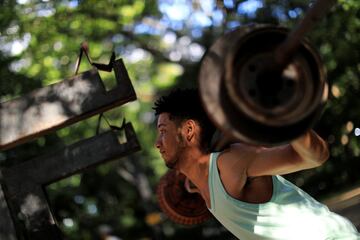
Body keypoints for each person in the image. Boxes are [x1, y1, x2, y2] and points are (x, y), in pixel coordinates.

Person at [153, 88, 360, 240]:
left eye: (163, 132)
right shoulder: (204, 187)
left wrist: (283, 111)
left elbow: (315, 157)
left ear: (188, 130)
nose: (157, 144)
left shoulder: (230, 163)